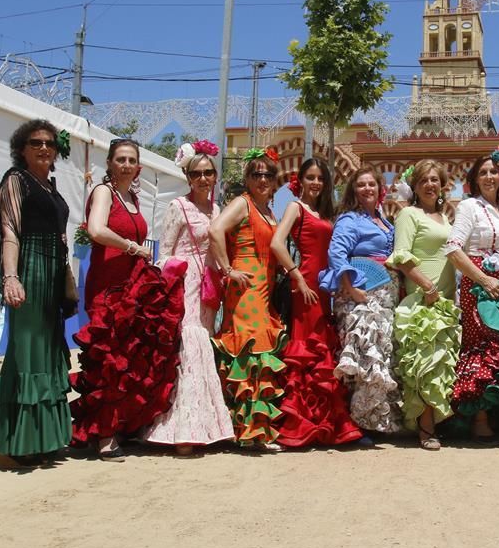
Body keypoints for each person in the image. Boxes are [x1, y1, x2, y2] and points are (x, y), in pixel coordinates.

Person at [71, 138, 185, 461]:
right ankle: (103, 435)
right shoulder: (104, 193)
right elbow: (96, 230)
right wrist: (133, 247)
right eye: (119, 159)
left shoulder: (133, 197)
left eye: (131, 160)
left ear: (138, 167)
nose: (125, 164)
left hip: (132, 289)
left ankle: (117, 426)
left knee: (127, 359)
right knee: (107, 360)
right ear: (109, 163)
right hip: (107, 287)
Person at [0, 119, 74, 467]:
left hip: (51, 273)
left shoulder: (50, 185)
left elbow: (61, 236)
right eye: (35, 142)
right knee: (28, 352)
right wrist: (10, 277)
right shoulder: (15, 180)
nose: (44, 148)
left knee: (48, 352)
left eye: (49, 142)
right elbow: (10, 231)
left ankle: (44, 439)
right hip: (30, 269)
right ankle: (13, 443)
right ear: (22, 148)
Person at [143, 141, 234, 454]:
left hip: (210, 286)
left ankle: (209, 426)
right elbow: (163, 254)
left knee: (204, 345)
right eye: (197, 174)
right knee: (190, 349)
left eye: (209, 173)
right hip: (185, 286)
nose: (204, 179)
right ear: (188, 177)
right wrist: (176, 272)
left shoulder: (218, 210)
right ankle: (183, 430)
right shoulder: (177, 207)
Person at [271, 158, 362, 448]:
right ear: (301, 180)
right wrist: (296, 277)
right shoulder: (295, 207)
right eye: (310, 177)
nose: (315, 183)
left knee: (323, 345)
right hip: (307, 284)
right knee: (308, 348)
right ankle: (302, 424)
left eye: (320, 178)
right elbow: (276, 243)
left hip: (325, 287)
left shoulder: (325, 213)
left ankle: (323, 423)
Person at [444, 149, 499, 442]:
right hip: (479, 284)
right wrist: (483, 277)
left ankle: (496, 412)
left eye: (494, 171)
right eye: (483, 173)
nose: (489, 177)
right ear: (474, 180)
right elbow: (454, 248)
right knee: (481, 344)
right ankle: (477, 415)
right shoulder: (469, 207)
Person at [209, 146, 286, 452]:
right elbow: (215, 230)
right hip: (246, 288)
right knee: (250, 354)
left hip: (263, 289)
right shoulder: (243, 203)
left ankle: (253, 430)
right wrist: (228, 269)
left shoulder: (267, 211)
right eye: (256, 174)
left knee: (258, 355)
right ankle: (249, 432)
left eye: (268, 174)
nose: (262, 179)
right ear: (248, 178)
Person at [319, 166, 402, 442]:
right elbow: (337, 254)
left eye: (371, 184)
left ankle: (374, 419)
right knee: (364, 351)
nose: (367, 189)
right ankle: (357, 423)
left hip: (385, 291)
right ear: (354, 190)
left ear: (380, 188)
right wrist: (350, 288)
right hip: (360, 290)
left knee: (382, 351)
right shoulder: (349, 219)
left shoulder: (385, 221)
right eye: (361, 185)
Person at [388, 161, 461, 450]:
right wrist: (426, 286)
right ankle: (425, 427)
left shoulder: (444, 217)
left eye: (435, 180)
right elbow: (401, 256)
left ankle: (434, 421)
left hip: (445, 299)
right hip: (423, 298)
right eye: (424, 181)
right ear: (415, 187)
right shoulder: (409, 214)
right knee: (424, 363)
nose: (430, 185)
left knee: (441, 361)